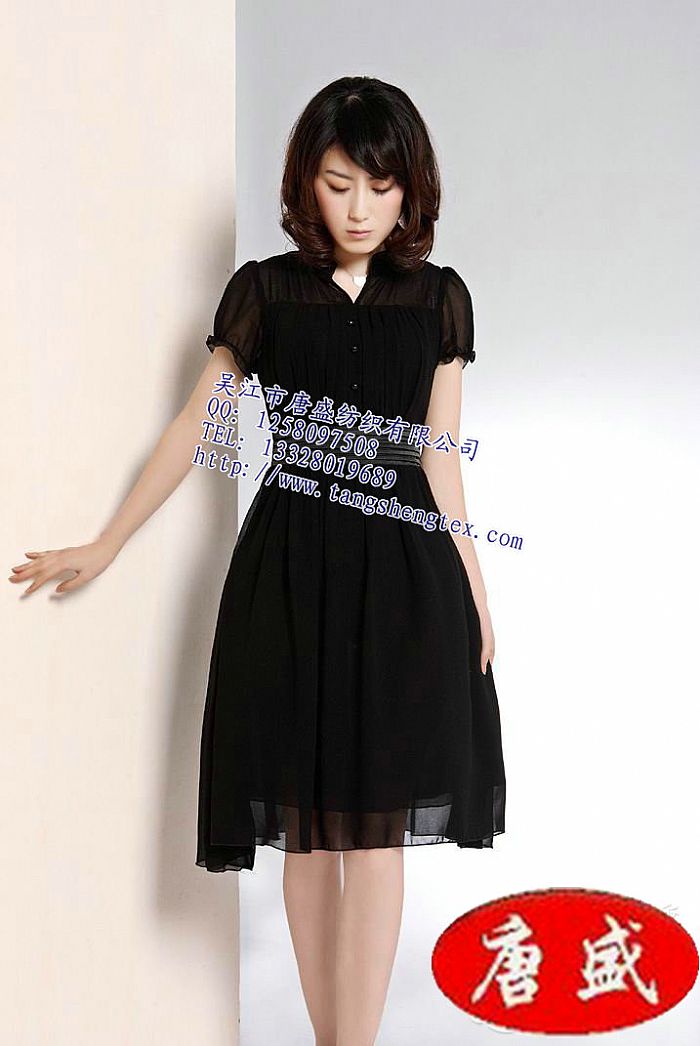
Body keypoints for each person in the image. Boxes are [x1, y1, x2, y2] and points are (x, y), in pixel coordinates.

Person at [9, 76, 506, 1046]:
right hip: (291, 571)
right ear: (304, 184)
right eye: (337, 184)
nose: (359, 208)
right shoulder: (265, 291)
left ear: (411, 189)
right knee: (308, 832)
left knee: (379, 833)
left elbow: (439, 456)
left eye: (380, 186)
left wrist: (475, 589)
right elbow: (195, 426)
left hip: (405, 575)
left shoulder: (439, 299)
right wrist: (109, 540)